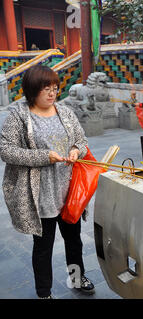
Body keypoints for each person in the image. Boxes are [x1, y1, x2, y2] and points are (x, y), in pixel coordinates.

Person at [0, 65, 96, 299]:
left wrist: (76, 150)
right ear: (33, 90)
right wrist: (44, 157)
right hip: (41, 196)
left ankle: (76, 277)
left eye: (55, 88)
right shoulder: (18, 115)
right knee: (43, 249)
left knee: (74, 242)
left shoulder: (65, 112)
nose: (52, 94)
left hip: (68, 192)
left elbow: (81, 140)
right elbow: (6, 150)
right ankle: (44, 293)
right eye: (46, 89)